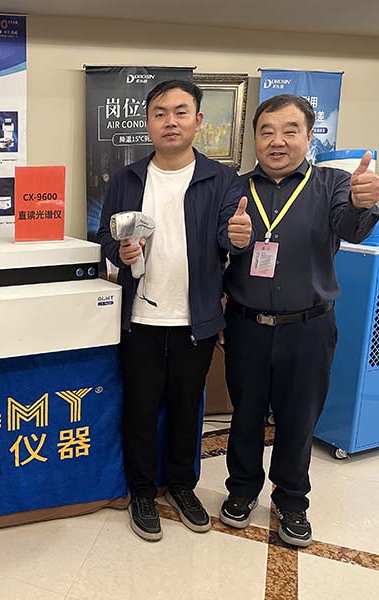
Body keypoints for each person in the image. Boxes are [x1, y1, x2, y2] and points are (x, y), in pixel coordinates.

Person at [220, 94, 379, 547]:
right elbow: (217, 247)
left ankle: (292, 501)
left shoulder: (332, 184)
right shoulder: (235, 188)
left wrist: (364, 204)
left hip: (309, 327)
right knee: (245, 415)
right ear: (255, 139)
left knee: (299, 418)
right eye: (267, 131)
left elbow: (349, 227)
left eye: (290, 131)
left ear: (309, 137)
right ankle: (241, 490)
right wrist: (231, 241)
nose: (277, 141)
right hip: (247, 325)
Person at [97, 79, 253, 541]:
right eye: (160, 113)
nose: (171, 121)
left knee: (188, 410)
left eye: (181, 112)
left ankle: (182, 487)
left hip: (195, 320)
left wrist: (238, 238)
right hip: (139, 320)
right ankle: (143, 492)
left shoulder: (221, 179)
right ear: (147, 122)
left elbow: (227, 237)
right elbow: (105, 235)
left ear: (198, 121)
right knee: (140, 410)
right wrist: (119, 250)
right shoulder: (127, 178)